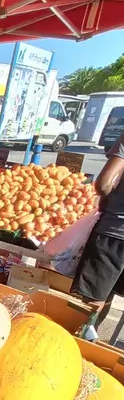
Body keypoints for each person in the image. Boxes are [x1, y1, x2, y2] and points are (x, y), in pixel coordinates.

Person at [71, 132, 124, 326]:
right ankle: (92, 343)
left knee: (91, 299)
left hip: (114, 232)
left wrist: (108, 197)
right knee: (110, 294)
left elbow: (103, 184)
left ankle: (79, 342)